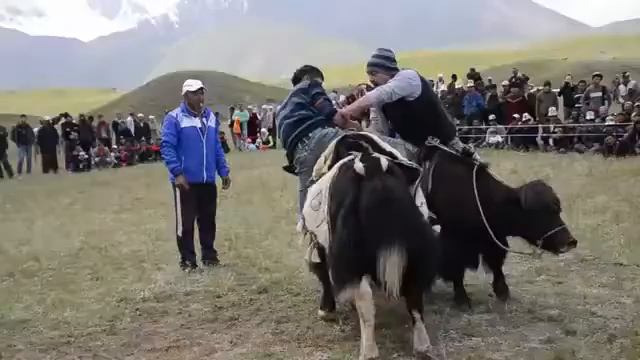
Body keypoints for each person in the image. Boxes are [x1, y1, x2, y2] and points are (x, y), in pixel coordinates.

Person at [340, 48, 477, 159]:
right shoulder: (379, 100)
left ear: (387, 70)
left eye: (374, 73)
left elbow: (382, 93)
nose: (371, 79)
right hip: (416, 151)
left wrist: (346, 112)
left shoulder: (408, 78)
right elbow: (381, 136)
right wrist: (357, 128)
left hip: (447, 146)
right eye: (368, 74)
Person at [161, 79, 231, 271]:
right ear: (185, 96)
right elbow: (167, 147)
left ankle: (209, 256)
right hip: (185, 181)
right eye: (194, 93)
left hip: (207, 179)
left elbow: (216, 146)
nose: (199, 97)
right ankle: (188, 260)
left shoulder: (210, 117)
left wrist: (223, 171)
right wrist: (177, 172)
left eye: (201, 92)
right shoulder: (174, 118)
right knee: (186, 223)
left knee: (208, 220)